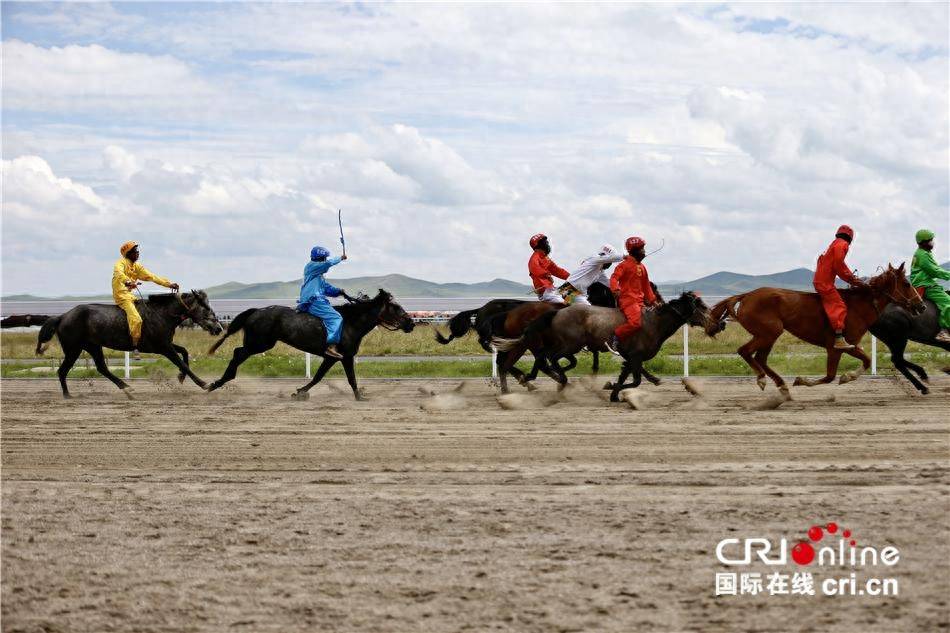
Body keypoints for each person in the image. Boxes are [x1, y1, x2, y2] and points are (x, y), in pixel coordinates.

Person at [112, 241, 178, 350]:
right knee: (137, 319)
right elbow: (119, 274)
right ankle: (135, 345)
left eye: (137, 251)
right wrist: (128, 282)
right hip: (122, 297)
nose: (137, 253)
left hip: (131, 296)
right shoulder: (120, 263)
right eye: (134, 251)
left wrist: (169, 284)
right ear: (128, 253)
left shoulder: (137, 266)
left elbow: (152, 276)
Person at [813, 225, 867, 350]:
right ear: (850, 238)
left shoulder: (833, 244)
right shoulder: (843, 245)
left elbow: (832, 265)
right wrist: (853, 280)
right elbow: (839, 265)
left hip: (822, 281)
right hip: (824, 283)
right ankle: (838, 339)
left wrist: (850, 278)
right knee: (839, 306)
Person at [607, 236, 658, 352]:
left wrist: (654, 301)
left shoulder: (642, 267)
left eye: (644, 249)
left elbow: (646, 287)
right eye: (642, 249)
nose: (644, 252)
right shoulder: (623, 265)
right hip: (628, 301)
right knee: (635, 323)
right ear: (634, 250)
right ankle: (615, 336)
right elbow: (614, 278)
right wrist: (615, 290)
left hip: (640, 302)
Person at [298, 246, 348, 359]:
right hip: (314, 301)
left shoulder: (318, 275)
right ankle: (331, 346)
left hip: (315, 300)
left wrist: (339, 291)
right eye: (324, 258)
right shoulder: (312, 266)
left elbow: (326, 288)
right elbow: (328, 264)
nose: (325, 260)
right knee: (336, 317)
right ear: (320, 259)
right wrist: (340, 258)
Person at [910, 229, 950, 343]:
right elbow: (934, 271)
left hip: (925, 283)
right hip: (926, 285)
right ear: (924, 242)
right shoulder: (923, 255)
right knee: (948, 303)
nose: (933, 242)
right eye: (931, 240)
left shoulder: (922, 253)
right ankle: (944, 332)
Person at [528, 233, 570, 304]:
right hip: (546, 293)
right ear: (540, 245)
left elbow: (557, 270)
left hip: (552, 290)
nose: (548, 244)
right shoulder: (534, 258)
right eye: (546, 243)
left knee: (576, 294)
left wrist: (571, 276)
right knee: (565, 303)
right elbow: (535, 269)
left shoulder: (545, 258)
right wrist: (547, 275)